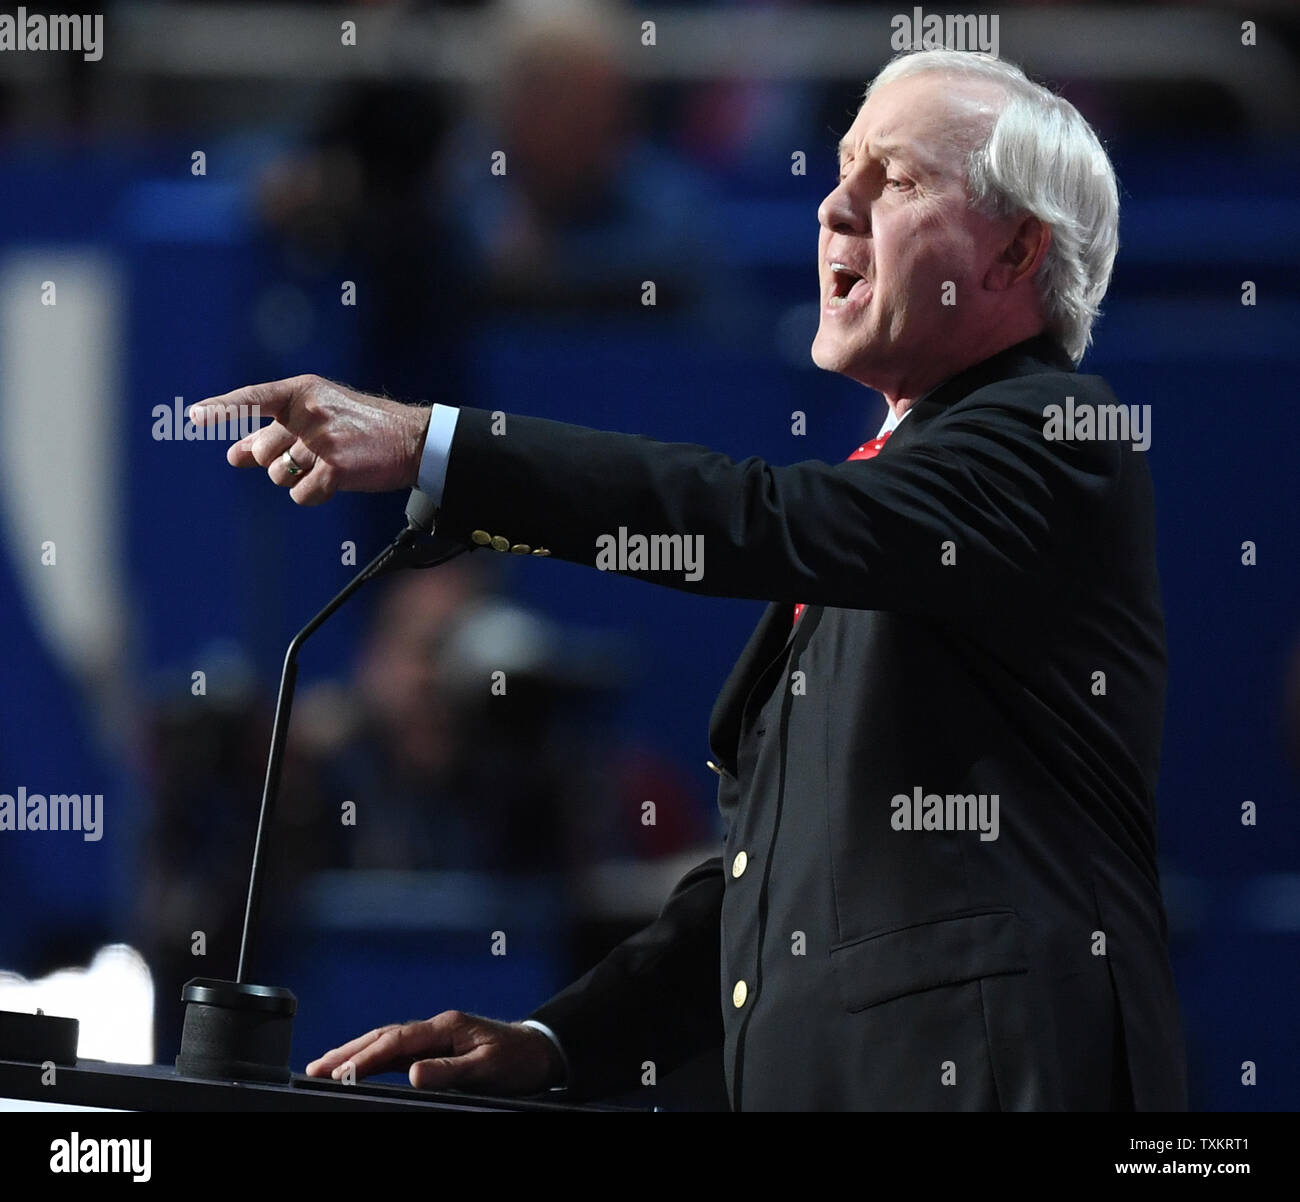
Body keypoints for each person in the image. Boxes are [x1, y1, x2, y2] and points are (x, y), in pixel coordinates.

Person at [191, 49, 1187, 1111]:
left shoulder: (1051, 439)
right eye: (842, 166)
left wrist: (437, 444)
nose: (832, 206)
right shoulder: (894, 503)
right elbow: (770, 881)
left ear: (1015, 251)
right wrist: (555, 1037)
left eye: (892, 180)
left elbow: (748, 517)